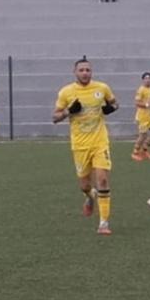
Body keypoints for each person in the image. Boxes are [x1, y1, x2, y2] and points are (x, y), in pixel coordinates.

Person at [52, 58, 118, 235]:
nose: (85, 73)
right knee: (84, 185)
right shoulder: (66, 92)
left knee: (103, 179)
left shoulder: (102, 88)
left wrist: (110, 109)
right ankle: (90, 196)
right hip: (80, 145)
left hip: (100, 141)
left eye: (88, 70)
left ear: (92, 72)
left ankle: (103, 223)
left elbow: (114, 103)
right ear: (75, 72)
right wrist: (68, 111)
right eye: (81, 70)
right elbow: (55, 117)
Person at [131, 72, 150, 161]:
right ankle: (135, 152)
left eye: (149, 78)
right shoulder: (141, 90)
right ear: (143, 80)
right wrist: (147, 105)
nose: (148, 80)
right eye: (146, 78)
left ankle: (145, 148)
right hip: (142, 116)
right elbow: (137, 103)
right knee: (143, 135)